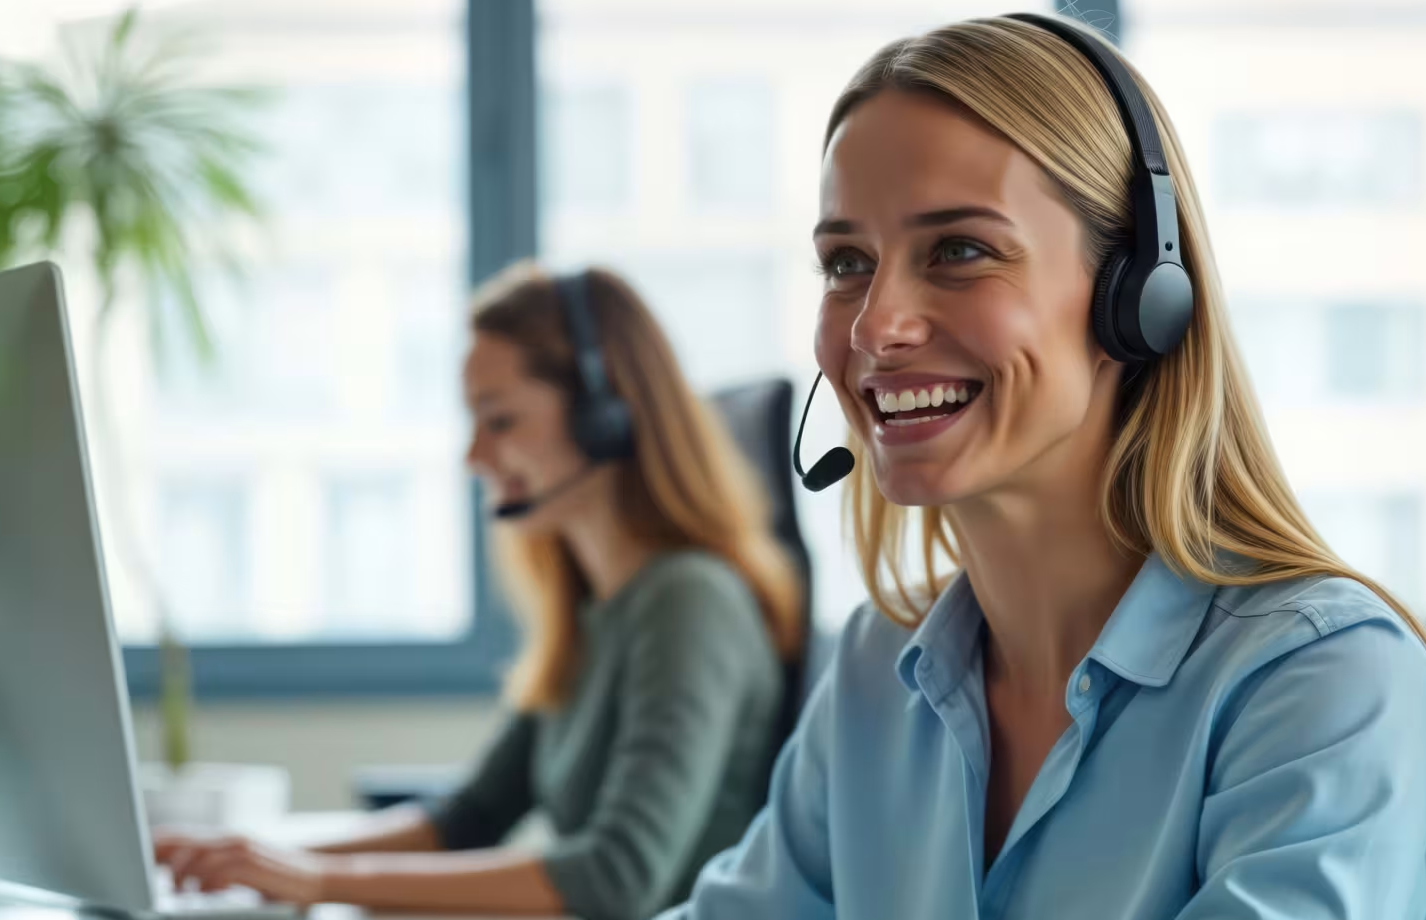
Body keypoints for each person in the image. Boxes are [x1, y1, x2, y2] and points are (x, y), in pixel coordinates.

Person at [659, 14, 1426, 920]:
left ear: (1139, 295)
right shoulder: (878, 667)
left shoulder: (1319, 683)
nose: (875, 327)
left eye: (960, 250)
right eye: (846, 263)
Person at [155, 263, 804, 920]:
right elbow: (469, 818)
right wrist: (258, 864)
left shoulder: (688, 601)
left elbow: (615, 876)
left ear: (603, 415)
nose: (473, 456)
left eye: (500, 421)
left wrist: (321, 881)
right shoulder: (593, 609)